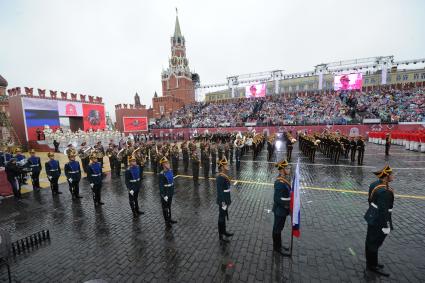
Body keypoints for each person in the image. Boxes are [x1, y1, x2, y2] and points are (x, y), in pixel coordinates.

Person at [364, 165, 394, 277]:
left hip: (371, 215)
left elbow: (369, 199)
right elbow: (384, 211)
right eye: (391, 174)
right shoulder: (385, 191)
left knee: (370, 240)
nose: (393, 176)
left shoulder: (374, 184)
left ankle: (370, 262)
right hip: (379, 220)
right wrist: (386, 226)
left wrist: (373, 209)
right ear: (386, 177)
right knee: (375, 242)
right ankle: (372, 266)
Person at [272, 160, 291, 255]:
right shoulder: (280, 182)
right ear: (282, 170)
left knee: (279, 227)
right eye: (287, 168)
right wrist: (289, 202)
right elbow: (277, 199)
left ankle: (278, 245)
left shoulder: (283, 179)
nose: (289, 169)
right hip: (280, 210)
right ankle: (277, 247)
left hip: (282, 210)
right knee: (277, 228)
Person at [216, 158, 234, 243]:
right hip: (222, 200)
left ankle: (224, 231)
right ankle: (220, 235)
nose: (227, 166)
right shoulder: (220, 177)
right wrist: (223, 202)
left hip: (226, 199)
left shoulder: (224, 175)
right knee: (221, 217)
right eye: (225, 165)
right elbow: (220, 192)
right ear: (222, 167)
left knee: (224, 216)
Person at [158, 157, 177, 228]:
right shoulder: (161, 174)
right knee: (165, 208)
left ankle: (170, 218)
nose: (168, 164)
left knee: (169, 206)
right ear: (163, 165)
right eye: (166, 163)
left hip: (170, 191)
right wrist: (164, 195)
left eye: (168, 163)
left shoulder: (170, 171)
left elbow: (171, 181)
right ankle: (166, 221)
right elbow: (161, 186)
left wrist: (172, 190)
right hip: (165, 193)